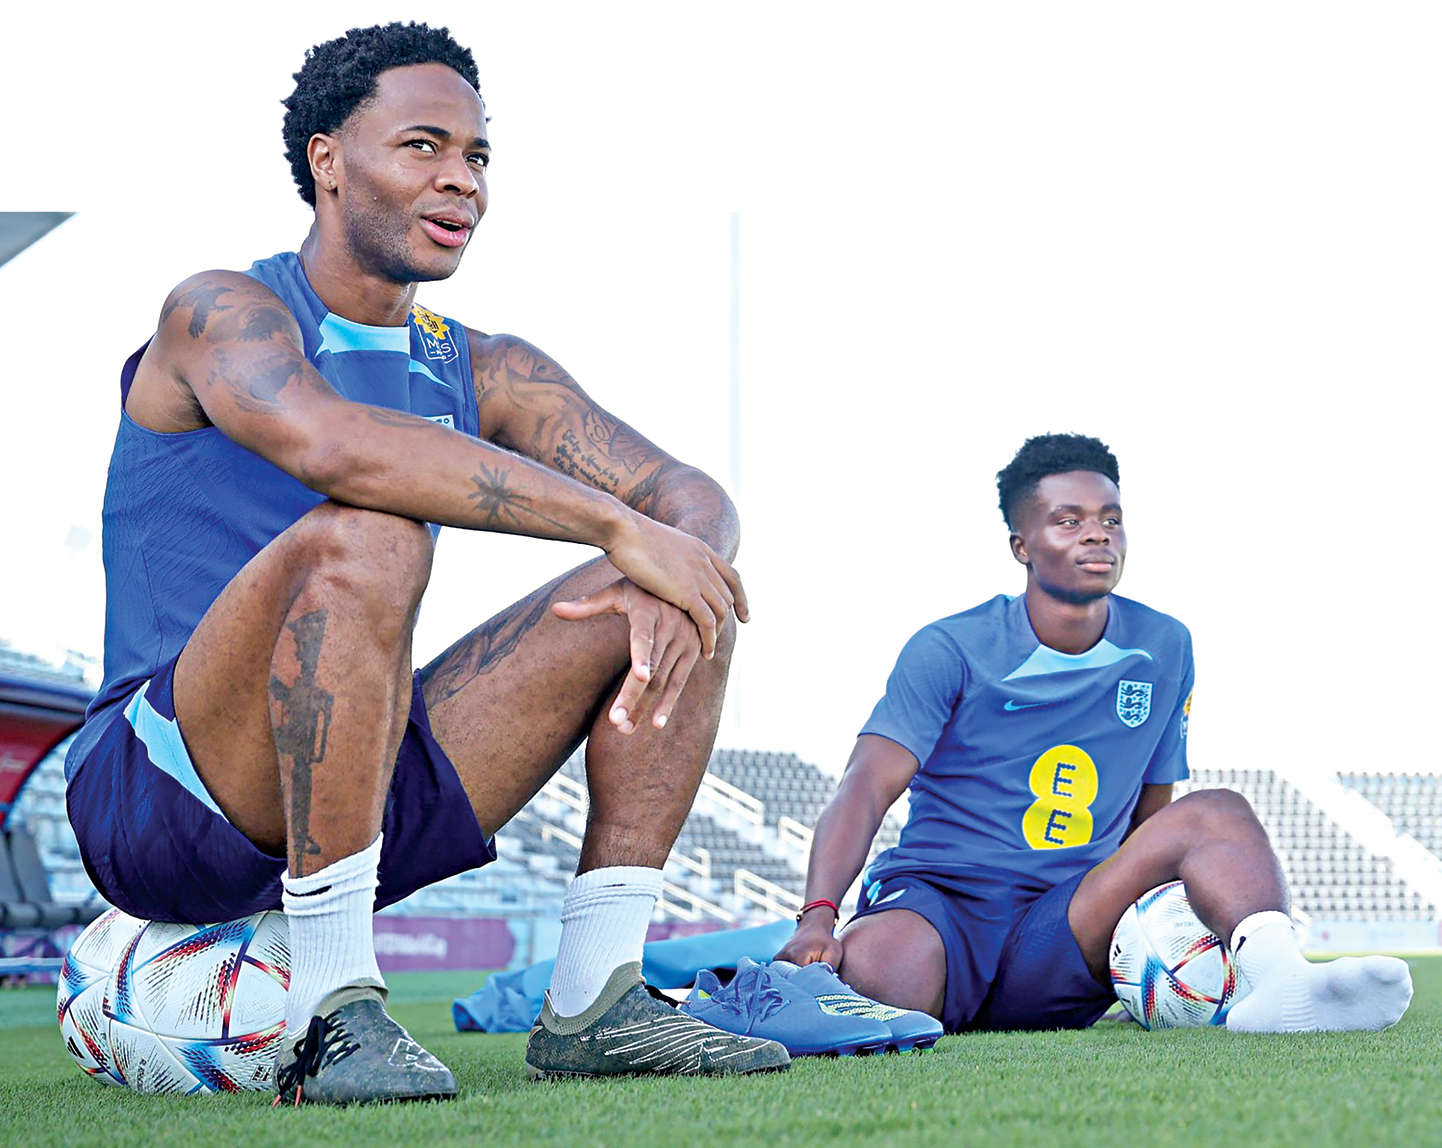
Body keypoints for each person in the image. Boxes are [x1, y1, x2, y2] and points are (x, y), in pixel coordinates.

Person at [64, 21, 788, 1103]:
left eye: (477, 155)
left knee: (682, 583)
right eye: (422, 146)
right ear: (327, 161)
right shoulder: (220, 312)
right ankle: (333, 1011)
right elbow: (333, 446)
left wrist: (667, 553)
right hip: (164, 794)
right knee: (371, 530)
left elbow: (690, 496)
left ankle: (597, 1001)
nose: (462, 180)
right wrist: (612, 523)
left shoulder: (479, 364)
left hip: (353, 785)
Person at [775, 433, 1413, 1035]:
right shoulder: (950, 647)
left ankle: (1282, 985)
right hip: (943, 900)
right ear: (1021, 546)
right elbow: (865, 786)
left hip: (1067, 917)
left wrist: (1152, 941)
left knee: (1217, 811)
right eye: (1068, 520)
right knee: (879, 981)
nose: (1097, 535)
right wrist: (819, 915)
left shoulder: (1164, 644)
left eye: (1111, 519)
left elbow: (1152, 813)